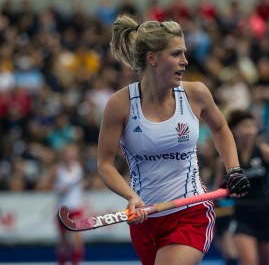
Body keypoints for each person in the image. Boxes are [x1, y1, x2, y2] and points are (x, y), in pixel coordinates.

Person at [97, 14, 250, 265]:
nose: (185, 61)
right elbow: (104, 164)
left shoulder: (196, 93)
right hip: (145, 217)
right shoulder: (119, 104)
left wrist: (233, 169)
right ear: (152, 58)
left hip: (191, 212)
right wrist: (131, 197)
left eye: (184, 53)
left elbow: (221, 128)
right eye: (176, 54)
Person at [215, 109, 269, 265]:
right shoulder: (225, 159)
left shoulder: (266, 152)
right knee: (250, 262)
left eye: (252, 126)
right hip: (242, 216)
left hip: (266, 215)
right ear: (234, 131)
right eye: (245, 126)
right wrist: (221, 197)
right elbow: (219, 187)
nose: (250, 130)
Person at [46, 143, 85, 265]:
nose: (71, 156)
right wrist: (58, 188)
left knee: (77, 239)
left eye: (73, 153)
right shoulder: (57, 169)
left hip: (76, 207)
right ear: (64, 155)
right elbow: (46, 185)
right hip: (63, 209)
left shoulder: (79, 167)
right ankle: (61, 262)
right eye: (69, 153)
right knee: (63, 241)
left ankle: (76, 262)